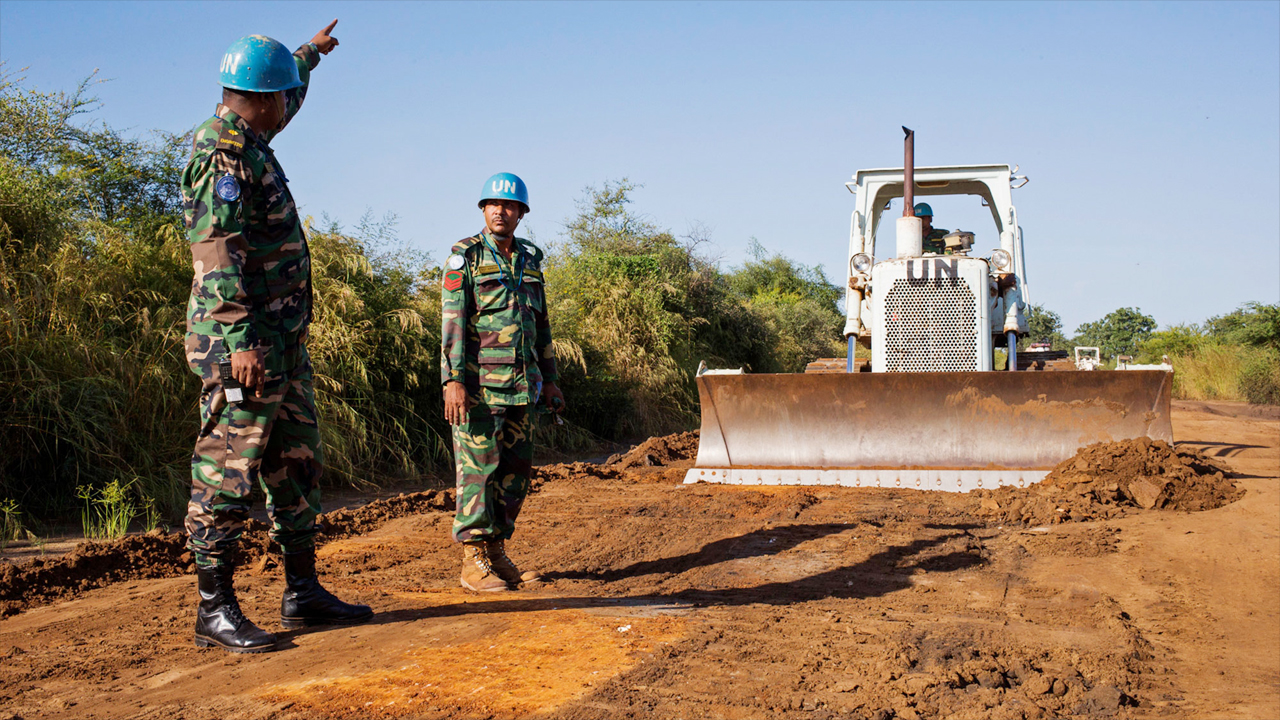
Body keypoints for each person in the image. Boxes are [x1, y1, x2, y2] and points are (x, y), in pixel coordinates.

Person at [182, 22, 371, 654]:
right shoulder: (222, 155)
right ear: (262, 100)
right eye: (285, 97)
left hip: (282, 345)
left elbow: (288, 81)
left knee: (296, 465)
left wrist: (310, 55)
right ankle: (215, 608)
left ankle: (302, 593)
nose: (291, 108)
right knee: (228, 470)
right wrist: (238, 340)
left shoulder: (253, 133)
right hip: (245, 348)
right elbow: (217, 252)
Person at [441, 173, 565, 592]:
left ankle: (495, 551)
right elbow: (453, 323)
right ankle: (472, 560)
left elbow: (541, 325)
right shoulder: (466, 256)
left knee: (515, 474)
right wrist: (453, 381)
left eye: (509, 206)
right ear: (482, 209)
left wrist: (550, 380)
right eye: (493, 204)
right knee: (478, 472)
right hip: (479, 388)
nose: (500, 210)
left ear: (521, 214)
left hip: (523, 387)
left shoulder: (530, 260)